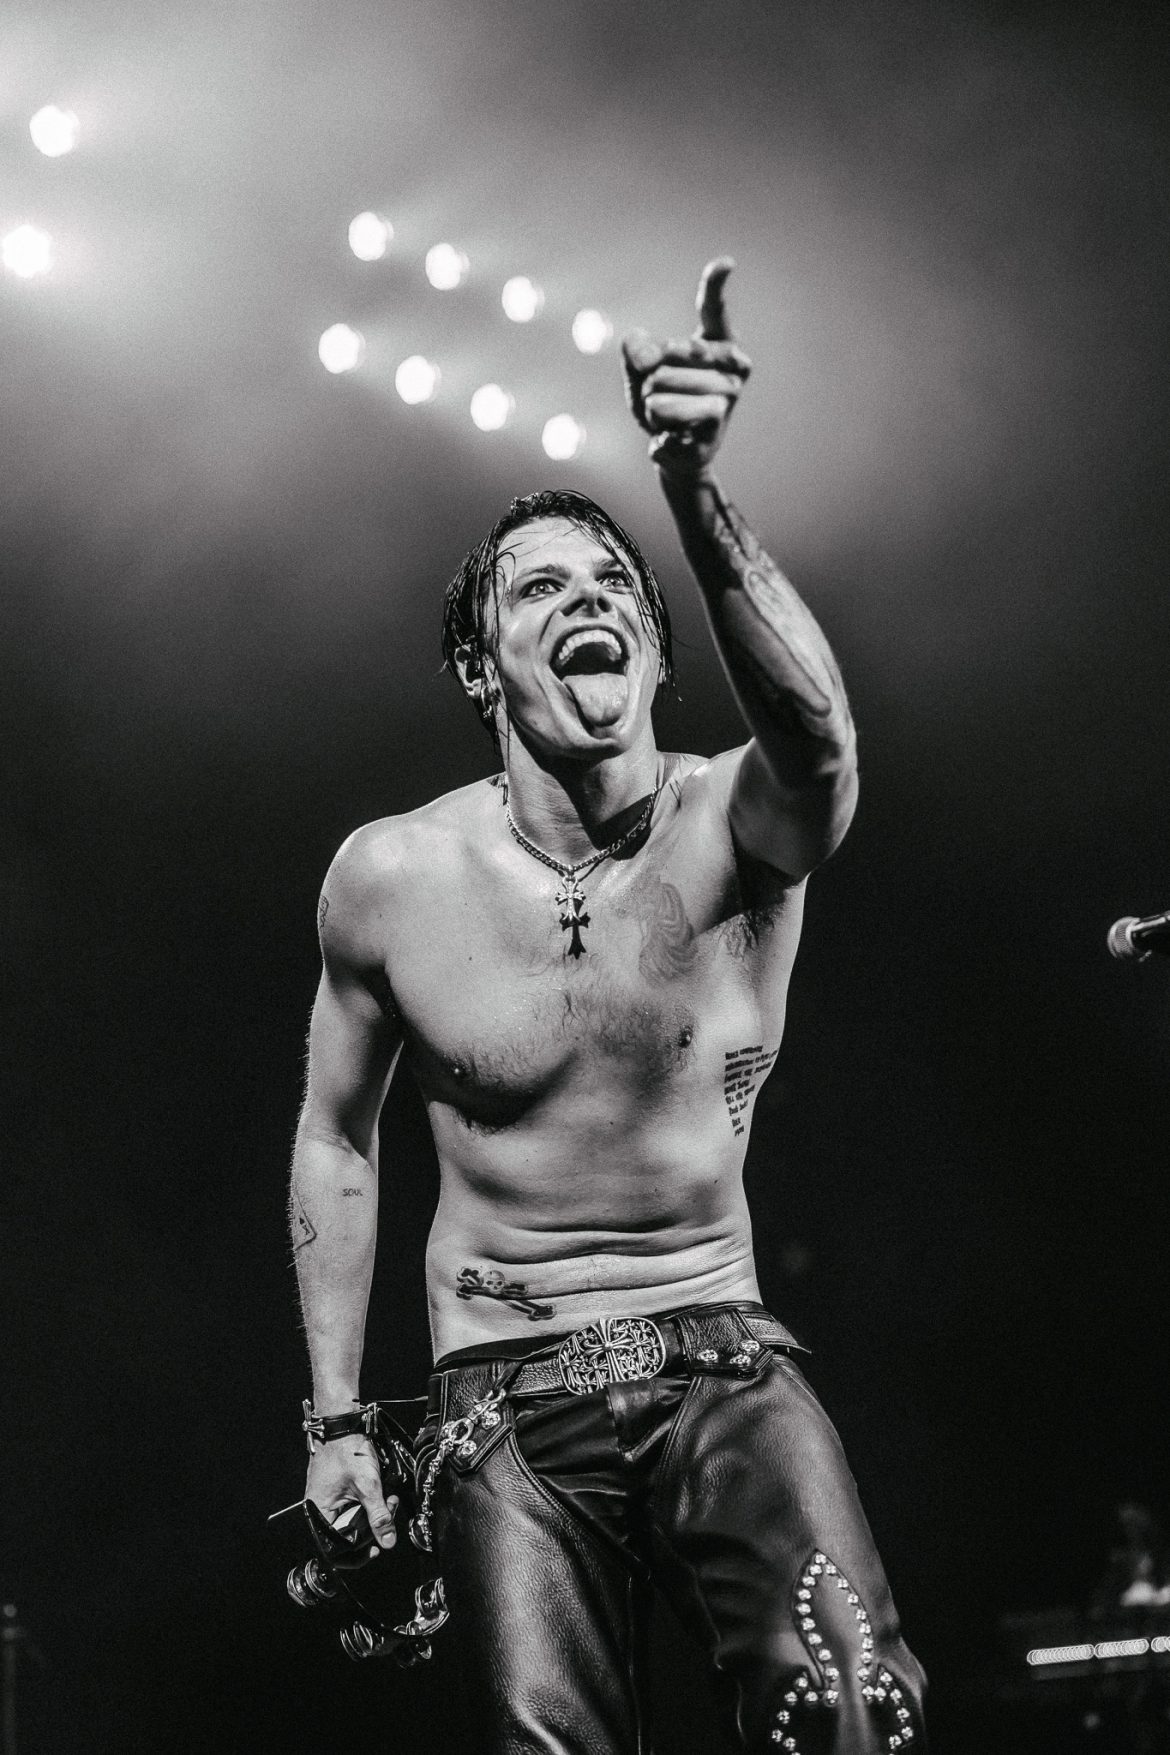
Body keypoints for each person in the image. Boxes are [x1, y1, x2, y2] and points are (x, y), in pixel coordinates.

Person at [289, 259, 927, 1754]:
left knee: (849, 1704)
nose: (587, 601)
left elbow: (822, 742)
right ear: (479, 665)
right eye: (540, 588)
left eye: (613, 588)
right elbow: (334, 1138)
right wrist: (336, 1421)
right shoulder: (390, 877)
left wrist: (692, 497)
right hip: (499, 1393)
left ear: (654, 645)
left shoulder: (734, 827)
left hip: (717, 1350)